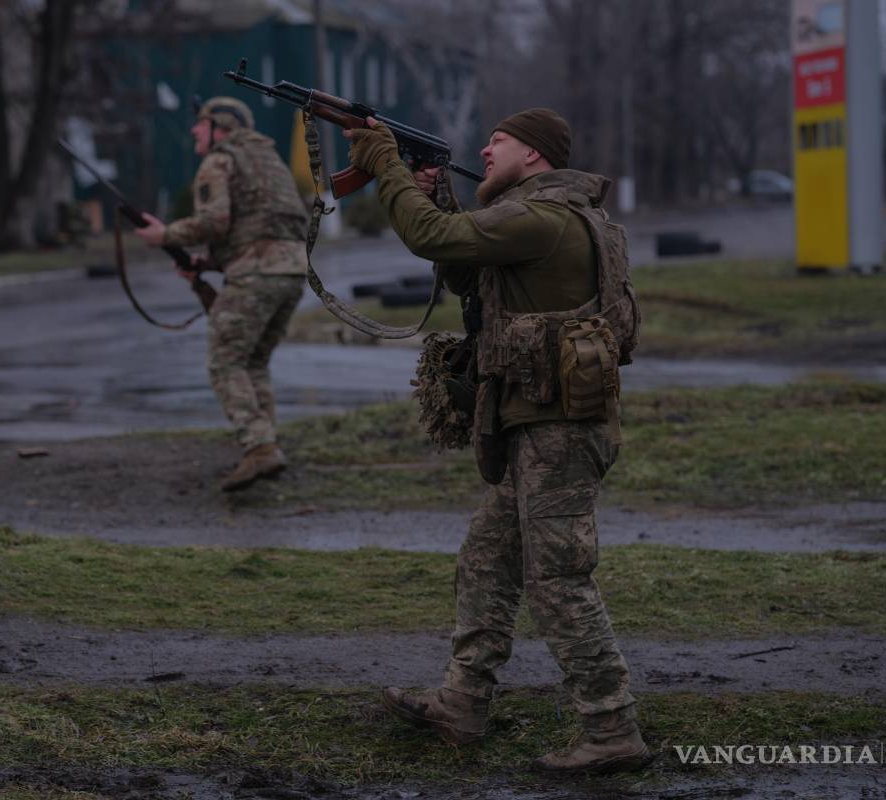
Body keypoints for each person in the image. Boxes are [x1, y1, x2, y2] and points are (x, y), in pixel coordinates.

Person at [344, 110, 649, 774]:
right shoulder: (535, 217)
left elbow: (430, 238)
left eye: (499, 141)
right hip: (541, 427)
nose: (483, 148)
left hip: (558, 434)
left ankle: (611, 728)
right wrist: (426, 192)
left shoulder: (539, 219)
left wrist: (383, 162)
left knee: (559, 581)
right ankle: (462, 704)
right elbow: (465, 271)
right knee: (486, 560)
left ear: (534, 155)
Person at [133, 97, 310, 492]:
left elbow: (214, 222)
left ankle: (260, 446)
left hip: (257, 273)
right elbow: (261, 226)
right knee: (254, 361)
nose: (195, 130)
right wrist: (206, 266)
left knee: (225, 363)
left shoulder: (220, 160)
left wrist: (166, 235)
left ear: (222, 129)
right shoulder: (267, 160)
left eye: (202, 124)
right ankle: (267, 444)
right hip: (293, 271)